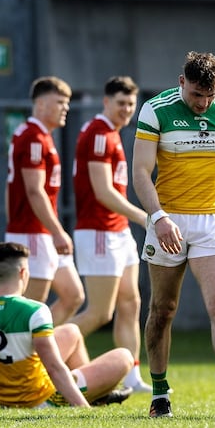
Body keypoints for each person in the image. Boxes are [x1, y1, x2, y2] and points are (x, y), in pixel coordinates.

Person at [132, 51, 215, 418]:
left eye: (209, 96)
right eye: (196, 95)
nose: (203, 103)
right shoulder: (155, 110)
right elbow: (141, 172)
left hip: (213, 221)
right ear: (182, 83)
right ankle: (160, 393)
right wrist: (158, 217)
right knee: (163, 309)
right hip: (168, 220)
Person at [0, 242, 134, 410]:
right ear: (23, 273)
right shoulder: (35, 310)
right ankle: (91, 397)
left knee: (71, 331)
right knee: (124, 357)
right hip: (42, 399)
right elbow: (55, 368)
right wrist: (82, 410)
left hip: (6, 400)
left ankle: (96, 394)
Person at [69, 76, 151, 393]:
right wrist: (144, 217)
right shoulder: (99, 133)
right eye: (121, 103)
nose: (126, 110)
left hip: (117, 230)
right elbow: (103, 192)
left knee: (131, 303)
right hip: (99, 231)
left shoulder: (113, 134)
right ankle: (43, 356)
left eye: (131, 104)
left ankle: (131, 377)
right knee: (100, 312)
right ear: (106, 102)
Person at [5, 76, 85, 324]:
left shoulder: (39, 136)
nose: (66, 108)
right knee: (30, 309)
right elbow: (34, 191)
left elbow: (11, 190)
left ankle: (41, 349)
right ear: (40, 104)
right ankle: (20, 356)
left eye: (67, 102)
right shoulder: (33, 138)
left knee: (73, 296)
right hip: (34, 233)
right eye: (60, 101)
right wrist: (58, 231)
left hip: (40, 231)